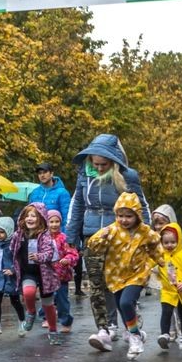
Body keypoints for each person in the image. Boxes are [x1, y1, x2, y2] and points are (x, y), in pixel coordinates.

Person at [65, 134, 150, 347]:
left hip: (119, 237)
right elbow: (78, 206)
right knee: (97, 285)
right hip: (92, 235)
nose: (100, 168)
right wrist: (71, 236)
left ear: (113, 161)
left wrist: (146, 237)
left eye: (104, 164)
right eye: (96, 164)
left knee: (118, 285)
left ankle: (131, 327)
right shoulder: (84, 174)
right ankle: (105, 328)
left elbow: (141, 206)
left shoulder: (128, 176)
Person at [84, 192, 166, 359]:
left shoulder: (145, 232)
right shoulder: (112, 230)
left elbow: (157, 249)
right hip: (115, 276)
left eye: (129, 216)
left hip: (137, 274)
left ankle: (135, 337)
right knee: (122, 307)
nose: (124, 220)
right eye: (120, 215)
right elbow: (94, 246)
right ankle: (135, 332)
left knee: (126, 302)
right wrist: (101, 238)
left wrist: (164, 266)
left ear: (137, 215)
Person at [12, 202, 62, 346]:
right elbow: (12, 249)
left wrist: (39, 257)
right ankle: (31, 312)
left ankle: (53, 331)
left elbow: (49, 253)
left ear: (41, 218)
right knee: (28, 293)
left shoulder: (45, 236)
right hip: (28, 272)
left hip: (45, 274)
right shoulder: (19, 235)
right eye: (27, 215)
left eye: (33, 216)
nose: (30, 218)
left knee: (48, 304)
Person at [155, 223, 182, 350]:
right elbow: (150, 263)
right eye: (166, 242)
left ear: (178, 241)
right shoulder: (161, 256)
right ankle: (165, 334)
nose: (169, 245)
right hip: (168, 291)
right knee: (166, 312)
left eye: (173, 242)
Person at [0, 216, 27, 335]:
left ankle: (22, 321)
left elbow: (19, 260)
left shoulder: (13, 246)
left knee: (15, 301)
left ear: (8, 231)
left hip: (10, 278)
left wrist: (13, 270)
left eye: (2, 232)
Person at [47, 209, 79, 333]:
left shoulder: (65, 238)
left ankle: (66, 321)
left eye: (57, 222)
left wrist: (68, 259)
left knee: (62, 300)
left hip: (61, 276)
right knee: (48, 298)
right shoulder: (43, 238)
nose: (54, 224)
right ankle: (46, 316)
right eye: (51, 222)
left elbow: (73, 254)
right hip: (47, 276)